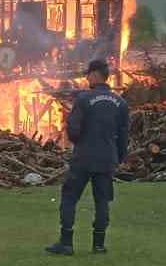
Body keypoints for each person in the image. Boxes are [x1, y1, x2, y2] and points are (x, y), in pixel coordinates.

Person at [47, 59, 130, 256]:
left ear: (95, 74)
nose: (86, 78)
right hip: (107, 158)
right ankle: (99, 244)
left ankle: (66, 243)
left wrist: (79, 141)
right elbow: (124, 133)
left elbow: (73, 131)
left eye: (88, 74)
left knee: (69, 197)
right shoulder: (121, 103)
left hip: (83, 158)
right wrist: (118, 157)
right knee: (102, 201)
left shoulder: (83, 100)